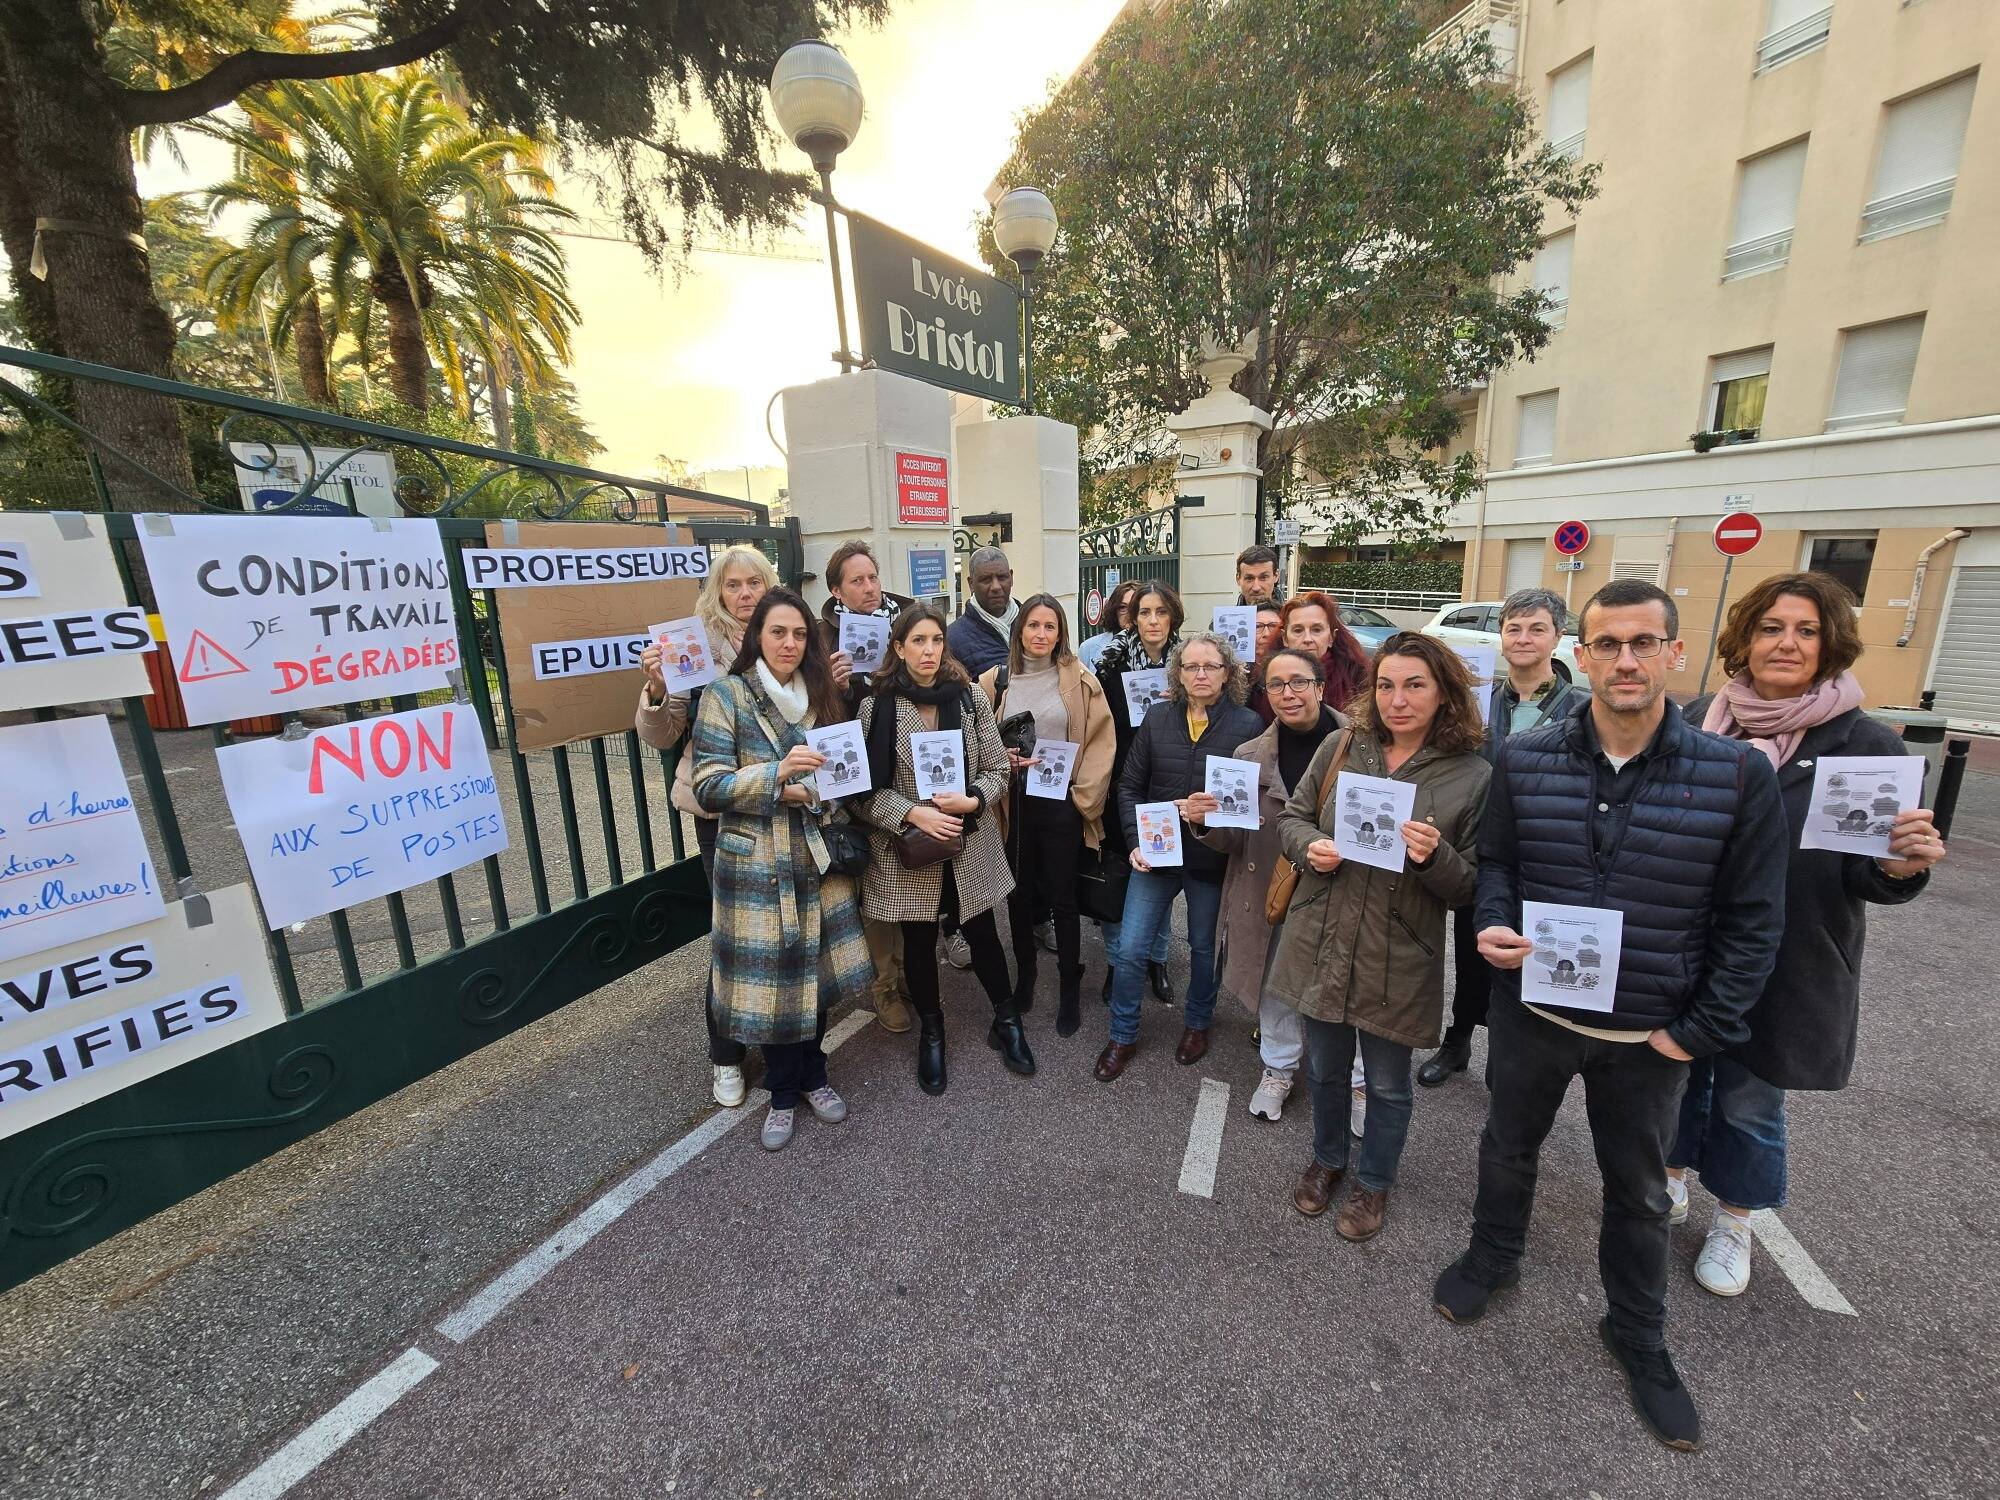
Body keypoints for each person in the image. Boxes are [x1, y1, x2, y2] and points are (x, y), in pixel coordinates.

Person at [1432, 578, 1787, 1453]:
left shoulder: (1737, 774)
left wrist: (1693, 1033)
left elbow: (1754, 925)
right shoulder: (1527, 757)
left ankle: (1637, 1333)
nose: (1625, 660)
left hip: (1649, 1036)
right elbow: (1500, 869)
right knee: (1508, 1148)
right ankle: (1492, 1258)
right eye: (1607, 645)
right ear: (1578, 656)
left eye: (1643, 642)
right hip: (1536, 1013)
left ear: (1674, 651)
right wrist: (1495, 927)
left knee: (1635, 1194)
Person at [1670, 572, 1944, 1296]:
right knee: (1671, 1078)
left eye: (1806, 630)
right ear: (1744, 638)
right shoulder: (1700, 720)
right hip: (1688, 946)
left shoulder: (1866, 744)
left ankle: (1735, 1222)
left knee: (1750, 1100)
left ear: (1830, 645)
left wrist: (1896, 865)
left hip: (1789, 958)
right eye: (1771, 627)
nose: (1786, 642)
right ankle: (1667, 1179)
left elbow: (1875, 880)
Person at [1269, 634, 1488, 1238]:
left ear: (1444, 693)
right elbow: (1294, 817)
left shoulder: (1471, 776)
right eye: (1387, 685)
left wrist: (1433, 857)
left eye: (1415, 685)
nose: (1398, 699)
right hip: (1324, 934)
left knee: (1388, 1083)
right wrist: (1310, 847)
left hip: (1400, 947)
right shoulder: (1344, 745)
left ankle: (1374, 1182)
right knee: (1325, 1070)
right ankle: (1329, 1160)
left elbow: (1470, 884)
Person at [689, 589, 876, 1152]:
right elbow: (708, 785)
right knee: (773, 984)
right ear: (757, 638)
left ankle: (815, 1074)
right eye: (778, 633)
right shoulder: (726, 695)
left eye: (799, 634)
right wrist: (775, 776)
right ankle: (782, 1092)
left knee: (813, 974)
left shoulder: (822, 694)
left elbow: (842, 778)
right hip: (757, 862)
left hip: (817, 853)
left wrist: (824, 791)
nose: (790, 644)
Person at [1418, 587, 1590, 1089]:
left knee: (1534, 957)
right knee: (1473, 953)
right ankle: (1458, 1041)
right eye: (1514, 628)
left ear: (1558, 637)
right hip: (1482, 846)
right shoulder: (1479, 701)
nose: (1523, 638)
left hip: (1546, 852)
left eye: (1537, 628)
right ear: (1500, 635)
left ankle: (1513, 1061)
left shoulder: (1579, 707)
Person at [856, 605, 1032, 1094]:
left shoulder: (971, 698)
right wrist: (911, 814)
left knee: (982, 933)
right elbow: (864, 792)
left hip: (968, 844)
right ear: (899, 648)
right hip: (910, 848)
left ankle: (1006, 1019)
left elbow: (998, 769)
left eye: (936, 640)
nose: (929, 650)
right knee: (917, 942)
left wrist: (973, 797)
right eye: (917, 641)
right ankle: (932, 1032)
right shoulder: (879, 707)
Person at [634, 546, 784, 1106]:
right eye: (733, 585)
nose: (745, 594)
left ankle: (777, 1045)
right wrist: (654, 691)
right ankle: (726, 1056)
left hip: (779, 803)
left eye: (754, 583)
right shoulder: (691, 647)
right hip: (720, 811)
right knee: (733, 934)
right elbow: (663, 734)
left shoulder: (786, 632)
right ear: (717, 592)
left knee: (780, 928)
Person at [1094, 629, 1263, 1081]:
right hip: (1158, 852)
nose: (1201, 673)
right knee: (1130, 949)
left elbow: (1253, 805)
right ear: (1179, 673)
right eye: (1192, 666)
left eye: (1211, 666)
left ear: (1228, 674)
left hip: (1210, 859)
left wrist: (1213, 819)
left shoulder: (1248, 726)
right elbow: (1129, 785)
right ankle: (1123, 1033)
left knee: (1205, 949)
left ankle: (1197, 1024)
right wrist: (1134, 841)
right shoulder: (1158, 718)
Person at [1186, 648, 1343, 1121]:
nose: (1287, 694)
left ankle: (1355, 1082)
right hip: (1271, 885)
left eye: (1298, 682)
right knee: (1274, 979)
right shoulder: (1247, 756)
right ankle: (1278, 1068)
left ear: (1320, 686)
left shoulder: (1359, 746)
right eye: (1276, 685)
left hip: (1338, 885)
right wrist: (1205, 821)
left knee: (1340, 983)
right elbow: (1236, 837)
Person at [978, 594, 1116, 1037]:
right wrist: (1000, 758)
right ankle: (1026, 975)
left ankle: (1070, 986)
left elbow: (1101, 741)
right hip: (1012, 803)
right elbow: (977, 740)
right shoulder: (994, 681)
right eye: (1033, 626)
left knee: (1063, 897)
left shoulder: (1079, 679)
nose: (1041, 635)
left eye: (1050, 627)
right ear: (1019, 630)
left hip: (1061, 803)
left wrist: (1082, 799)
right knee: (1017, 896)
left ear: (1061, 632)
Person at [816, 540, 933, 999]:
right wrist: (836, 688)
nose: (869, 588)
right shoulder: (821, 637)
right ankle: (884, 983)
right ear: (837, 591)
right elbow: (815, 718)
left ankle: (913, 969)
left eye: (873, 577)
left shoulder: (905, 619)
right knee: (877, 880)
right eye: (856, 581)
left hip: (906, 764)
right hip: (855, 773)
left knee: (915, 867)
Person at [1092, 581, 1184, 1007]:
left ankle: (1157, 959)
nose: (1152, 620)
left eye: (1160, 612)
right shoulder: (1109, 663)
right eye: (1144, 612)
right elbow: (1097, 724)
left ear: (1172, 617)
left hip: (1167, 782)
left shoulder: (1188, 665)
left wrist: (1178, 703)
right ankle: (1115, 962)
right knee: (1119, 872)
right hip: (1120, 783)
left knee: (1161, 870)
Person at [1279, 591, 1370, 716]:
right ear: (1284, 638)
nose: (1307, 639)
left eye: (1316, 630)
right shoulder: (1267, 681)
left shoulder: (1358, 679)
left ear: (1332, 637)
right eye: (1298, 630)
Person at [948, 546, 1017, 678]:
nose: (996, 587)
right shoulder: (952, 639)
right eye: (986, 580)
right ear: (971, 583)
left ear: (1011, 577)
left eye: (1002, 577)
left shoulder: (1033, 624)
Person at [1079, 579, 1142, 672]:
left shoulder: (1158, 646)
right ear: (1114, 610)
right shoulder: (1088, 647)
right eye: (1123, 607)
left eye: (1135, 607)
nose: (1130, 613)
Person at [1246, 602, 1286, 724]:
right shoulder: (1235, 669)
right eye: (1258, 626)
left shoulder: (1293, 667)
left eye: (1273, 626)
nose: (1266, 634)